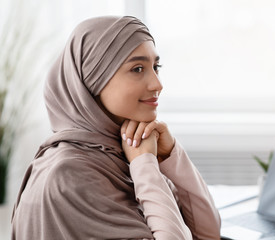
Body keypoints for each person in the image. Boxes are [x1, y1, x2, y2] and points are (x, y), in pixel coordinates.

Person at [11, 16, 221, 239]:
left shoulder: (125, 152)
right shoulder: (69, 175)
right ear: (93, 80)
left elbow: (208, 233)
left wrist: (172, 156)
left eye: (156, 66)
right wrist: (146, 168)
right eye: (138, 69)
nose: (158, 84)